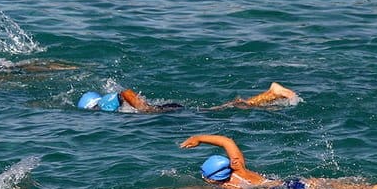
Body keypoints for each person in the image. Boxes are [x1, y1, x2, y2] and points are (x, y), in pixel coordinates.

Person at [181, 134, 377, 189]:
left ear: (212, 177)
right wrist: (200, 138)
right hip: (291, 181)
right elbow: (227, 141)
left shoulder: (226, 186)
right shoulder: (239, 167)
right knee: (347, 186)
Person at [77, 82, 298, 113]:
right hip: (164, 110)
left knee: (217, 112)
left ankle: (271, 94)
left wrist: (146, 110)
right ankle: (269, 97)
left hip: (161, 111)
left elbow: (125, 93)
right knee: (216, 110)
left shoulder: (102, 106)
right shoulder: (102, 105)